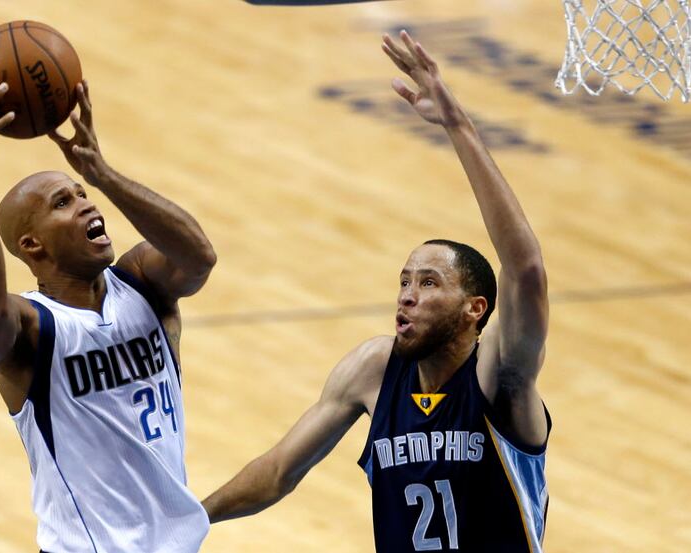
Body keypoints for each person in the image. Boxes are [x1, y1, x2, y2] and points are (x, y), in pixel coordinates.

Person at [202, 31, 551, 552]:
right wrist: (189, 518)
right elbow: (277, 472)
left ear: (474, 309)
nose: (406, 295)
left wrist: (459, 126)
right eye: (404, 281)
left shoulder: (498, 377)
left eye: (429, 283)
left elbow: (524, 270)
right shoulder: (375, 369)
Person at [0, 67, 216, 552]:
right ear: (32, 245)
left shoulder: (141, 283)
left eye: (83, 196)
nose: (86, 206)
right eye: (63, 203)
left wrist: (102, 174)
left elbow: (199, 257)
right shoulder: (31, 328)